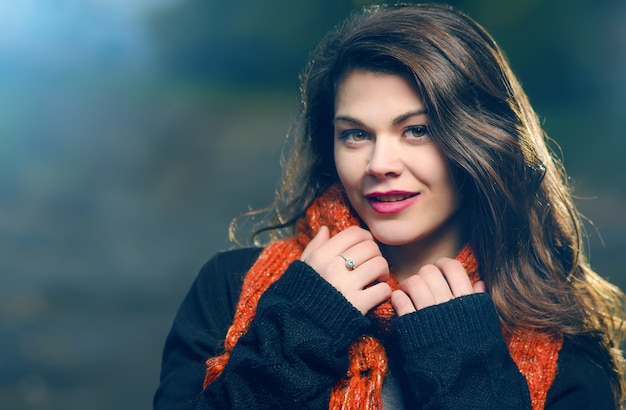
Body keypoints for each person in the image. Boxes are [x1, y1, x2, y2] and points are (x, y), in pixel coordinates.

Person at [154, 3, 626, 409]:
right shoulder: (229, 287)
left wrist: (465, 366)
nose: (380, 164)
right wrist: (299, 329)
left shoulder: (567, 350)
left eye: (417, 130)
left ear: (481, 143)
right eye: (356, 134)